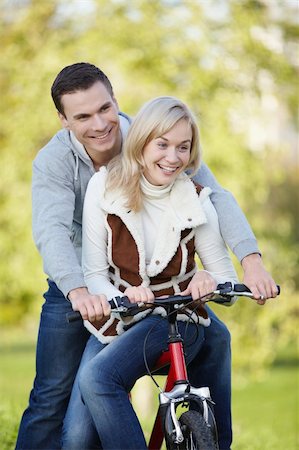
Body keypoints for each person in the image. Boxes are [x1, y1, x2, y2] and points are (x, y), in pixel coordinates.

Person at [15, 63, 278, 450]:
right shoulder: (56, 163)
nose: (101, 124)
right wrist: (79, 291)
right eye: (83, 116)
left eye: (104, 108)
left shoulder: (156, 136)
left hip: (154, 292)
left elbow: (213, 197)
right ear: (63, 120)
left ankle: (207, 436)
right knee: (53, 397)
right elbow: (52, 232)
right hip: (78, 282)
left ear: (115, 100)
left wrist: (250, 261)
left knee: (215, 337)